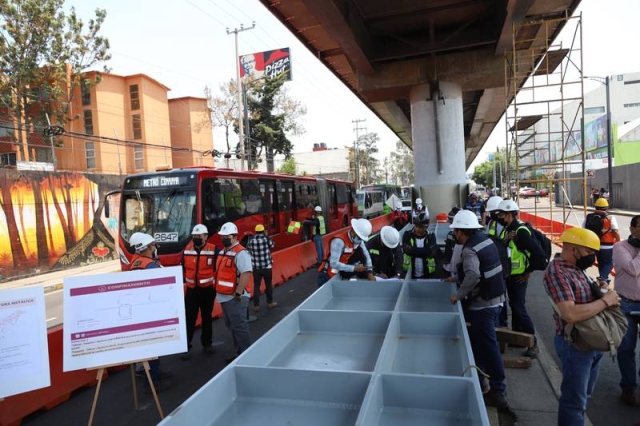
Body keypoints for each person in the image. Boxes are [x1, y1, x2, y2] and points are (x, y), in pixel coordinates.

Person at [543, 227, 621, 426]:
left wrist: (601, 291)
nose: (593, 258)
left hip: (589, 344)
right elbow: (570, 314)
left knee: (583, 395)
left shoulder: (576, 269)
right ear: (574, 250)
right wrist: (606, 301)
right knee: (574, 402)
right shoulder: (558, 273)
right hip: (574, 345)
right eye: (589, 252)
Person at [448, 210, 509, 409]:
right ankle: (483, 381)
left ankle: (498, 390)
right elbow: (480, 270)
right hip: (497, 299)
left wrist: (458, 294)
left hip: (483, 305)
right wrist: (456, 278)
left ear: (461, 231)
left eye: (456, 230)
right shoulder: (485, 241)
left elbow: (473, 275)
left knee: (488, 347)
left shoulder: (468, 250)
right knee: (481, 344)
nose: (455, 234)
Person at [496, 199, 547, 358]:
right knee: (515, 306)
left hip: (519, 277)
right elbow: (503, 250)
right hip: (509, 276)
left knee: (519, 308)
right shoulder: (507, 230)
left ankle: (533, 343)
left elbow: (539, 255)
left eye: (503, 215)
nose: (501, 218)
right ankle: (519, 338)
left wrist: (528, 272)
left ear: (511, 214)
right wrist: (506, 240)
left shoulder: (521, 231)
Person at [129, 232, 172, 393]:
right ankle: (152, 382)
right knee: (153, 347)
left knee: (151, 348)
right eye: (153, 245)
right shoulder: (150, 266)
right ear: (146, 248)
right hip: (152, 311)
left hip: (142, 311)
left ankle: (156, 374)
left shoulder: (136, 263)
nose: (155, 248)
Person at [214, 222, 253, 363]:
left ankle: (248, 358)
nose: (224, 238)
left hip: (235, 298)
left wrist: (238, 293)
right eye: (222, 236)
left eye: (227, 236)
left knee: (240, 328)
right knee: (234, 327)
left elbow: (246, 273)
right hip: (224, 297)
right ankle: (239, 355)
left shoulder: (241, 253)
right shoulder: (223, 252)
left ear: (235, 237)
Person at [180, 224, 219, 361]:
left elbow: (218, 268)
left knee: (206, 317)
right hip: (191, 290)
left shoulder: (214, 250)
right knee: (189, 319)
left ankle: (207, 344)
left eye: (199, 236)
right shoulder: (186, 250)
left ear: (206, 237)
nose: (196, 238)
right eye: (195, 236)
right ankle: (185, 347)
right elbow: (182, 267)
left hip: (207, 290)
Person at [612, 214, 640, 407]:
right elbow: (632, 269)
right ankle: (628, 387)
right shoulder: (620, 247)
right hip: (626, 303)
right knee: (626, 347)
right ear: (631, 228)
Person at [317, 218, 375, 286]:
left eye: (362, 239)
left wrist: (370, 271)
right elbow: (333, 263)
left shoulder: (358, 241)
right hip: (326, 276)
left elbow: (366, 254)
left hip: (339, 275)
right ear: (353, 232)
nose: (360, 241)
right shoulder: (339, 241)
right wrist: (354, 268)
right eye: (359, 238)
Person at [583, 197, 620, 282]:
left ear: (595, 207)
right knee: (609, 263)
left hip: (595, 245)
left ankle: (603, 278)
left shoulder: (589, 217)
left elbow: (584, 229)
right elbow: (615, 232)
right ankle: (603, 278)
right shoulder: (610, 218)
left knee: (601, 262)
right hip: (607, 245)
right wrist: (619, 243)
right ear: (606, 207)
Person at [247, 224, 277, 312]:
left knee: (256, 286)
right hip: (267, 267)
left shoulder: (251, 240)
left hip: (256, 267)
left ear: (255, 231)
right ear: (264, 231)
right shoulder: (266, 239)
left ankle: (256, 305)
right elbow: (272, 245)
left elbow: (248, 250)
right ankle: (270, 303)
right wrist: (266, 236)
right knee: (268, 285)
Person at [402, 212, 440, 279]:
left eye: (421, 227)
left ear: (426, 226)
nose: (418, 229)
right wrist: (425, 251)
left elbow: (430, 252)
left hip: (427, 274)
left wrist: (412, 250)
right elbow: (406, 250)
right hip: (410, 274)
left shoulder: (431, 236)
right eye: (416, 226)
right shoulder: (407, 235)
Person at [442, 207, 461, 278]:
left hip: (461, 271)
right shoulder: (450, 234)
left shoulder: (465, 237)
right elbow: (448, 251)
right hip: (450, 268)